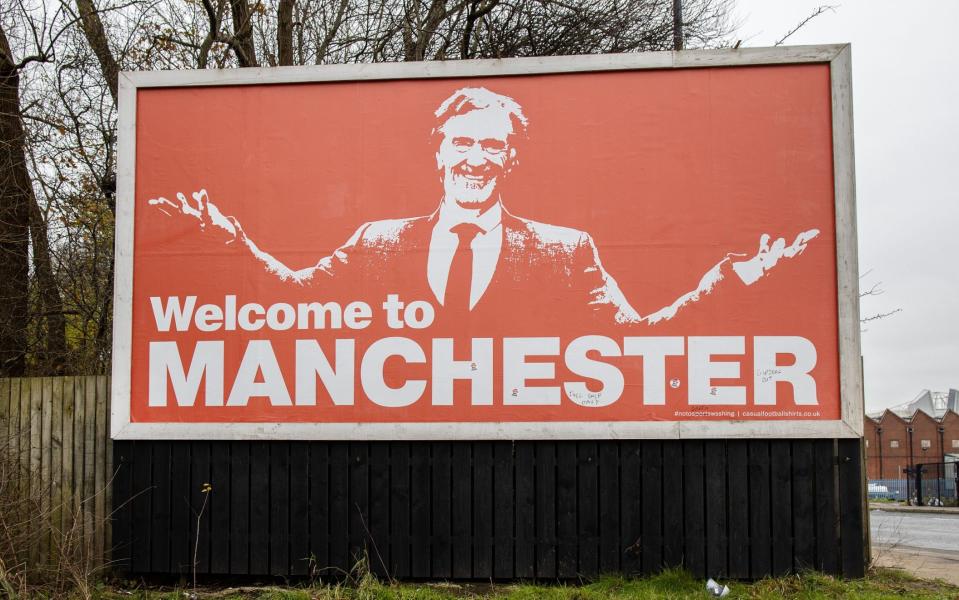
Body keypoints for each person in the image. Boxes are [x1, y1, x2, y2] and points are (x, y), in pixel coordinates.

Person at [149, 87, 818, 327]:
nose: (474, 158)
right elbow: (297, 302)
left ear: (510, 159)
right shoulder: (377, 242)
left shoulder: (566, 250)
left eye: (490, 146)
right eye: (461, 142)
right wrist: (228, 238)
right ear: (437, 152)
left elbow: (632, 339)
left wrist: (734, 281)